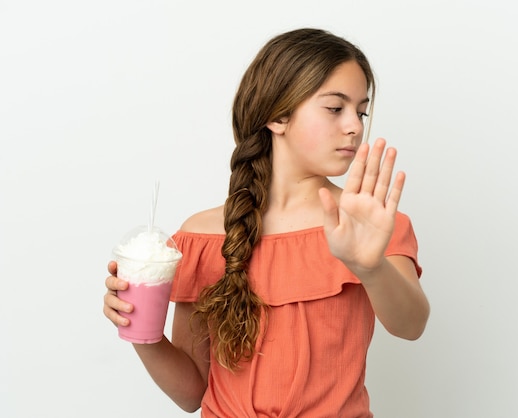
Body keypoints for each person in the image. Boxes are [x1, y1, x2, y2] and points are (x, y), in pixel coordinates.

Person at [103, 27, 430, 417]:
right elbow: (193, 393)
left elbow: (411, 325)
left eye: (361, 111)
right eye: (335, 108)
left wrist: (369, 266)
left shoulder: (365, 226)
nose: (355, 126)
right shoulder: (201, 237)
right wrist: (142, 331)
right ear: (278, 115)